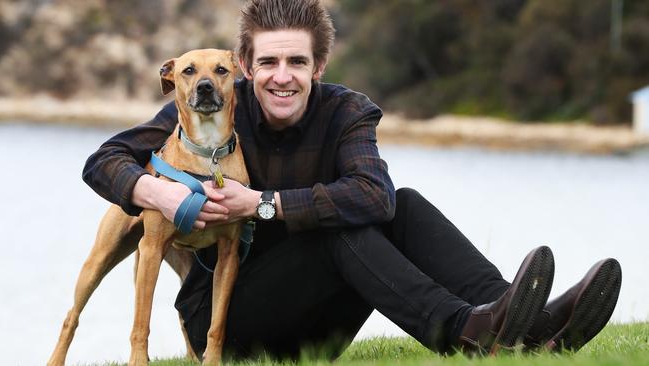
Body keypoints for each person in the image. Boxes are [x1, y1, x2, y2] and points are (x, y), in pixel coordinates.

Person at [82, 0, 621, 360]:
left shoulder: (347, 112)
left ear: (318, 67)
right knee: (338, 229)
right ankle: (472, 331)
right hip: (228, 324)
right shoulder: (216, 104)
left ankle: (524, 323)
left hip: (320, 317)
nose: (282, 76)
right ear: (246, 67)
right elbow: (104, 159)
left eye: (298, 61)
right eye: (268, 62)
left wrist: (262, 204)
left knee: (400, 204)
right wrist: (155, 189)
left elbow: (375, 196)